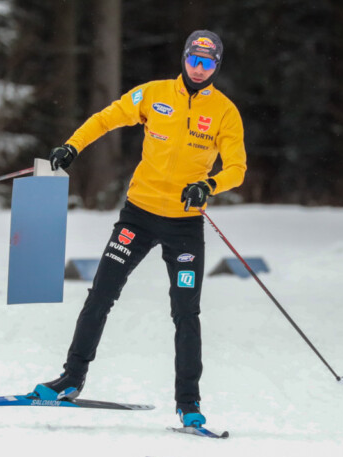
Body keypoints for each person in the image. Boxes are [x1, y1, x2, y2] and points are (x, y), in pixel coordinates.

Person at [31, 30, 247, 427]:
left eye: (208, 63)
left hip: (184, 224)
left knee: (186, 313)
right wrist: (72, 146)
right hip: (139, 215)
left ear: (217, 66)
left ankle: (189, 404)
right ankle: (71, 379)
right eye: (193, 60)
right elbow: (107, 118)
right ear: (183, 59)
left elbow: (236, 167)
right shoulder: (154, 94)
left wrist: (208, 185)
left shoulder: (224, 112)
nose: (198, 69)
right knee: (101, 295)